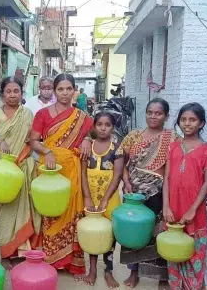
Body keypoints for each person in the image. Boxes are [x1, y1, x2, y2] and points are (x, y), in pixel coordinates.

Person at [29, 73, 93, 279]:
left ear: (74, 90)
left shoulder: (82, 117)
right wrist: (47, 152)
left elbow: (93, 133)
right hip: (49, 169)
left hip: (73, 171)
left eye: (68, 89)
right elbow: (33, 141)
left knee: (73, 214)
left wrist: (88, 139)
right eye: (60, 89)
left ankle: (72, 263)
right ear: (55, 91)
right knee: (50, 214)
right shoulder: (43, 114)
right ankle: (50, 260)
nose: (65, 93)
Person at [0, 76, 41, 270]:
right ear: (2, 94)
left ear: (22, 94)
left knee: (27, 210)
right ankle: (6, 253)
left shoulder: (28, 114)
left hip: (23, 166)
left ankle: (23, 251)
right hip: (3, 170)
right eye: (8, 91)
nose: (12, 95)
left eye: (16, 91)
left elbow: (33, 140)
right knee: (5, 211)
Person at [120, 98, 179, 289]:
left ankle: (162, 277)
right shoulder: (134, 136)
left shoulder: (172, 138)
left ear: (166, 116)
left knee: (158, 231)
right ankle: (134, 272)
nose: (153, 116)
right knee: (134, 230)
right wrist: (127, 181)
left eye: (158, 113)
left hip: (159, 192)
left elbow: (172, 169)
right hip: (134, 191)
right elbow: (123, 161)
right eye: (150, 112)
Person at [162, 103, 207, 289]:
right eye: (183, 120)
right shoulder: (174, 147)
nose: (187, 123)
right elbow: (167, 178)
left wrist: (193, 209)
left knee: (194, 251)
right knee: (174, 248)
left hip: (194, 208)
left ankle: (194, 286)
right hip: (173, 207)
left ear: (201, 123)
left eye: (192, 120)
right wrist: (166, 207)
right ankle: (176, 285)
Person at [82, 112, 123, 288]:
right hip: (91, 196)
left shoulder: (117, 148)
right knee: (92, 232)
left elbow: (117, 175)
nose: (103, 128)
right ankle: (92, 270)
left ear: (112, 127)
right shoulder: (87, 147)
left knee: (108, 235)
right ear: (94, 126)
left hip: (109, 197)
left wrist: (106, 199)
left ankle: (108, 271)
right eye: (99, 124)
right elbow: (82, 172)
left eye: (107, 125)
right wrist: (87, 197)